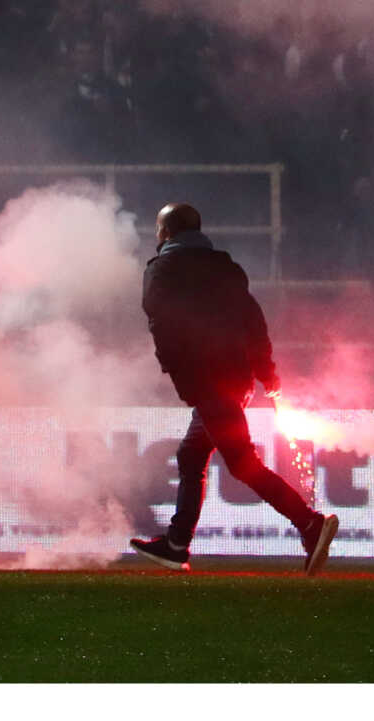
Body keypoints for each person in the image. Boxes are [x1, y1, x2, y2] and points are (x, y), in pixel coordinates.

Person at [129, 202, 339, 574]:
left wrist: (183, 379)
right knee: (191, 456)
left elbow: (162, 327)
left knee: (243, 464)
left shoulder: (161, 271)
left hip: (207, 384)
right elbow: (254, 322)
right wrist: (267, 374)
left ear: (164, 233)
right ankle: (177, 544)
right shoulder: (226, 268)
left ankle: (309, 523)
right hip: (236, 379)